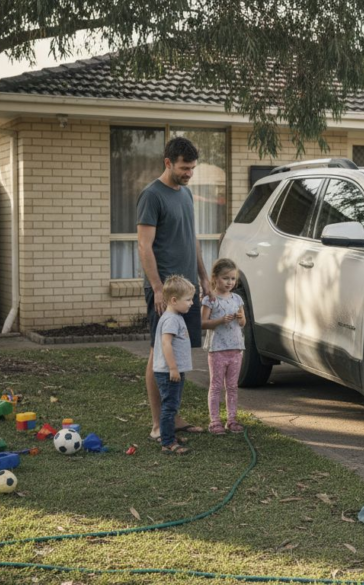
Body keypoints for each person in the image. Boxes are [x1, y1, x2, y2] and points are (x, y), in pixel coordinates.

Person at [137, 137, 211, 442]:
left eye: (192, 168)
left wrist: (203, 275)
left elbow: (191, 238)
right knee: (160, 354)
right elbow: (144, 245)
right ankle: (158, 423)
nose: (189, 173)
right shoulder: (151, 196)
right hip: (165, 293)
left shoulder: (187, 195)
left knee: (179, 353)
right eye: (184, 167)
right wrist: (157, 288)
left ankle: (173, 416)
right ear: (168, 162)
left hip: (187, 290)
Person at [201, 258, 247, 435]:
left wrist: (240, 317)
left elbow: (243, 323)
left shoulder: (237, 299)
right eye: (225, 278)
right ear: (215, 278)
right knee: (216, 385)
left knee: (233, 386)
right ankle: (214, 421)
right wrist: (220, 321)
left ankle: (232, 419)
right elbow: (203, 323)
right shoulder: (210, 300)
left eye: (233, 279)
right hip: (218, 349)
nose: (230, 282)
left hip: (236, 348)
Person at [153, 275, 197, 455]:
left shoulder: (176, 316)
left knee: (173, 405)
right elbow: (166, 344)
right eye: (188, 299)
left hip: (174, 371)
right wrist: (173, 368)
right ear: (173, 300)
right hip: (168, 372)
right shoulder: (171, 319)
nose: (191, 303)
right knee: (169, 407)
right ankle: (168, 443)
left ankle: (168, 435)